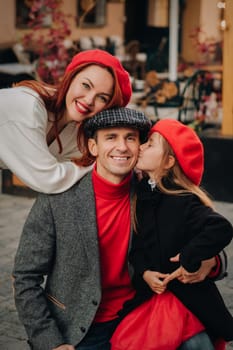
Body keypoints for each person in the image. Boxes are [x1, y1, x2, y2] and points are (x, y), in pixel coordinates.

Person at [12, 109, 227, 350]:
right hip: (78, 329)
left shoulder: (151, 193)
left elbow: (191, 233)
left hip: (139, 314)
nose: (122, 147)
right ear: (93, 147)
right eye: (111, 137)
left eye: (131, 138)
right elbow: (25, 277)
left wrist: (211, 261)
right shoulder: (58, 199)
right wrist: (50, 341)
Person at [110, 119, 233, 350]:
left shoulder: (183, 200)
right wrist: (145, 272)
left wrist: (191, 257)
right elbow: (138, 248)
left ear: (168, 161)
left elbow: (221, 228)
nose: (142, 146)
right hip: (151, 299)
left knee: (195, 343)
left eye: (151, 143)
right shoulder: (141, 196)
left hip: (186, 301)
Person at [0, 49, 132, 193]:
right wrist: (98, 165)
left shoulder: (72, 129)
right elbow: (48, 180)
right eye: (86, 85)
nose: (89, 100)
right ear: (70, 79)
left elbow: (92, 157)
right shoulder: (28, 107)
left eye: (102, 98)